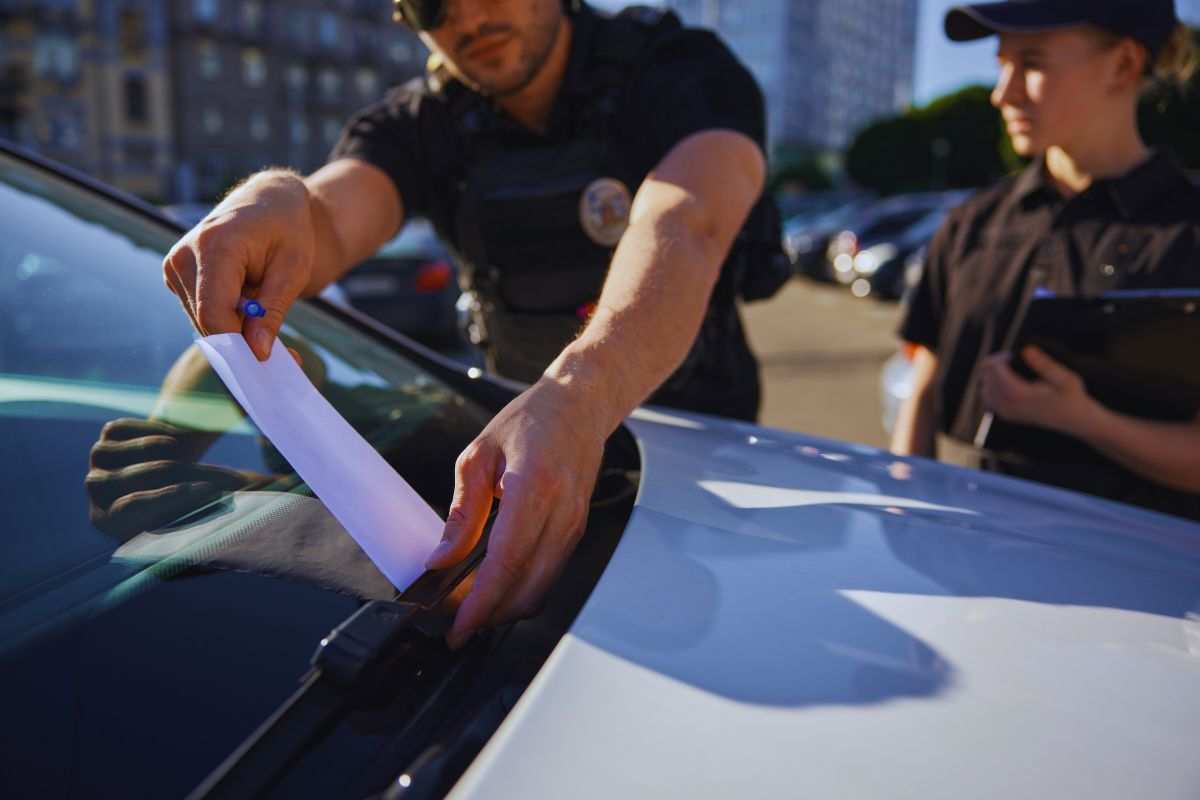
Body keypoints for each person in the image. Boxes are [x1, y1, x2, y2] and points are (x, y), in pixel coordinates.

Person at [162, 0, 780, 647]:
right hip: (515, 468)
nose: (468, 16)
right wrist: (270, 198)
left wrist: (578, 395)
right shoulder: (424, 120)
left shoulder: (679, 69)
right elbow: (324, 220)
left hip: (703, 464)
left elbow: (686, 223)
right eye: (432, 4)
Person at [891, 0, 1200, 520]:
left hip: (1138, 591)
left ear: (1123, 65)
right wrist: (905, 516)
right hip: (969, 576)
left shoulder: (1187, 234)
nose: (1001, 93)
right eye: (1000, 64)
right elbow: (925, 383)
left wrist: (1084, 420)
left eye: (1031, 63)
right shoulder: (972, 224)